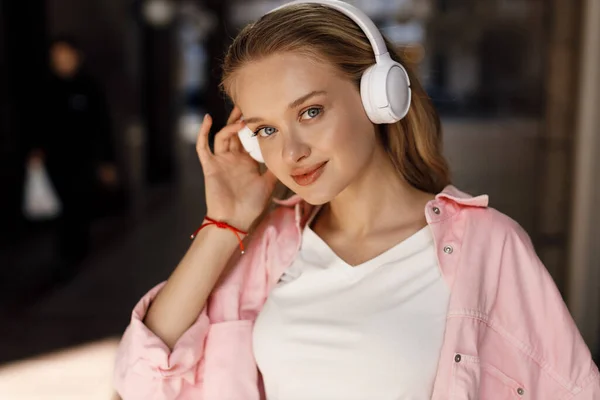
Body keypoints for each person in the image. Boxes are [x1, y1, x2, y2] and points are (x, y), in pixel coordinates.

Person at [113, 1, 599, 399]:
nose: (291, 152)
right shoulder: (271, 248)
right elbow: (141, 382)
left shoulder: (486, 247)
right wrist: (225, 223)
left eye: (310, 111)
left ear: (378, 97)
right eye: (267, 129)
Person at [28, 36, 117, 278]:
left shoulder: (89, 87)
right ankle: (65, 256)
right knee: (61, 208)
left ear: (77, 56)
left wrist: (107, 161)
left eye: (65, 55)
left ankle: (79, 254)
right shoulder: (46, 88)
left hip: (83, 160)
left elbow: (102, 126)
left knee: (80, 205)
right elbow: (37, 124)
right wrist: (36, 151)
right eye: (57, 57)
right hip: (56, 161)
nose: (61, 61)